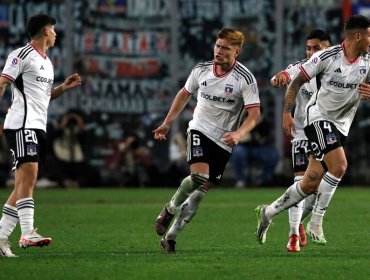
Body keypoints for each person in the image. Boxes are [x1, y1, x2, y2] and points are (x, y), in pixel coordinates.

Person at [256, 15, 370, 247]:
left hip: (340, 126)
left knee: (309, 183)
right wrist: (287, 113)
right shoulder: (327, 57)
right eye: (369, 34)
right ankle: (315, 222)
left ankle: (268, 212)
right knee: (340, 166)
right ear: (357, 36)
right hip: (317, 118)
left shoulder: (368, 60)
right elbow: (296, 81)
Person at [153, 28, 261, 253]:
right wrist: (167, 122)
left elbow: (254, 115)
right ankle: (170, 209)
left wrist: (239, 134)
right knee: (199, 177)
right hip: (199, 130)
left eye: (225, 48)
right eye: (217, 46)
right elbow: (184, 94)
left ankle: (170, 237)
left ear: (237, 51)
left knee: (200, 192)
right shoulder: (201, 70)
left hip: (224, 141)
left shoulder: (245, 78)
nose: (219, 51)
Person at [0, 13, 81, 257]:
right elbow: (3, 82)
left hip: (37, 125)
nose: (56, 34)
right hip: (21, 124)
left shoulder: (47, 62)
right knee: (31, 175)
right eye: (54, 29)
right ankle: (27, 233)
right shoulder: (20, 55)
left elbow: (43, 97)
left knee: (22, 184)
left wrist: (62, 89)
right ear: (46, 30)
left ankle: (1, 238)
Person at [270, 29, 331, 252]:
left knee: (315, 189)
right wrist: (278, 79)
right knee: (299, 182)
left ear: (328, 47)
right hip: (303, 133)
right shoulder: (300, 68)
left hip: (326, 133)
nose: (311, 52)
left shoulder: (337, 68)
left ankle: (301, 222)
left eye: (317, 47)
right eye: (309, 48)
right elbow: (284, 76)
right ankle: (293, 234)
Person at [231, 113, 278, 188]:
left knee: (272, 155)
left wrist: (257, 124)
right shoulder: (240, 119)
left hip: (259, 149)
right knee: (237, 152)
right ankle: (241, 180)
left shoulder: (264, 122)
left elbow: (266, 137)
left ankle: (263, 180)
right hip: (244, 148)